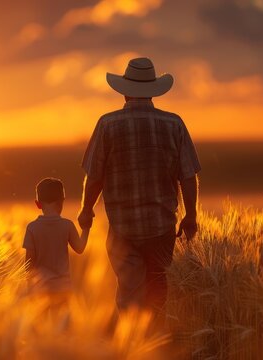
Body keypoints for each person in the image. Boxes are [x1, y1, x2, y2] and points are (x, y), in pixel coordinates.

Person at [78, 57, 201, 314]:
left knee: (129, 291)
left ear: (124, 91)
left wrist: (86, 208)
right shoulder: (174, 123)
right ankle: (156, 345)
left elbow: (95, 176)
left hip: (122, 228)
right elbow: (188, 175)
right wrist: (191, 215)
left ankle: (131, 344)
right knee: (157, 291)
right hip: (161, 227)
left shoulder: (107, 124)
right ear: (154, 91)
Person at [23, 178, 86, 292]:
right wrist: (86, 227)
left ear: (38, 204)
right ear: (62, 201)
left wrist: (29, 287)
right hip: (63, 287)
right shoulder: (67, 225)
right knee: (62, 311)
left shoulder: (32, 228)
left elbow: (29, 263)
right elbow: (80, 248)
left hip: (40, 288)